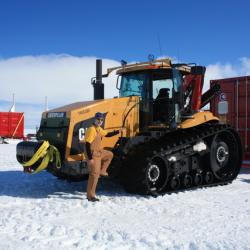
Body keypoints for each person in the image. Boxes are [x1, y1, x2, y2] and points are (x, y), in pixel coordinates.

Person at [84, 112, 124, 202]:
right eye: (98, 119)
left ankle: (103, 171)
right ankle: (90, 196)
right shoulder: (92, 130)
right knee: (94, 175)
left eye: (101, 120)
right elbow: (87, 145)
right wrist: (90, 159)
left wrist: (118, 131)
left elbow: (107, 134)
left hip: (99, 152)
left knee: (109, 154)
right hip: (92, 154)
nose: (100, 121)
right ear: (95, 119)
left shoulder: (99, 129)